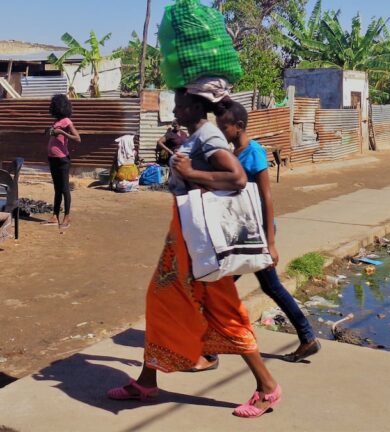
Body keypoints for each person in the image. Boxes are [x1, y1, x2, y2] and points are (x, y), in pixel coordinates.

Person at [107, 84, 282, 419]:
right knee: (161, 302)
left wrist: (191, 173)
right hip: (184, 241)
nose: (175, 111)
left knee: (224, 312)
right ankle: (146, 381)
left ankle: (268, 387)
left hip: (203, 246)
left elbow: (237, 177)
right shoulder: (197, 135)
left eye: (181, 106)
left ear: (196, 109)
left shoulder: (208, 136)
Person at [217, 101, 320, 363]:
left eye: (224, 126)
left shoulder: (254, 153)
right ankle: (307, 338)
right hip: (242, 233)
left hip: (257, 235)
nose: (221, 130)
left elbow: (267, 197)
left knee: (223, 286)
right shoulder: (235, 152)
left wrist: (270, 242)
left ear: (239, 127)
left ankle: (211, 343)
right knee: (265, 287)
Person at [47, 94, 81, 228]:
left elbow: (78, 138)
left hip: (62, 159)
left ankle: (67, 217)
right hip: (52, 158)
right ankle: (55, 216)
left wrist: (62, 133)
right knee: (57, 188)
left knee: (65, 188)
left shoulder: (67, 121)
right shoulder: (57, 121)